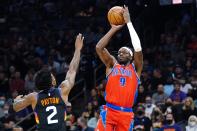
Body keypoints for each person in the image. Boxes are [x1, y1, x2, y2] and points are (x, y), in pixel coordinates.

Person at [9, 33, 84, 131]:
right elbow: (72, 70)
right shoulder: (62, 91)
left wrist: (17, 100)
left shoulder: (33, 97)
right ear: (52, 81)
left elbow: (14, 108)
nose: (54, 77)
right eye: (52, 76)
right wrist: (78, 49)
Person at [95, 5, 143, 131]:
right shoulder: (112, 65)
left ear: (131, 57)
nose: (120, 53)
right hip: (109, 111)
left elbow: (137, 47)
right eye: (119, 52)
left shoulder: (136, 69)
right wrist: (113, 29)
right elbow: (99, 48)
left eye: (125, 52)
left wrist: (129, 23)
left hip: (126, 114)